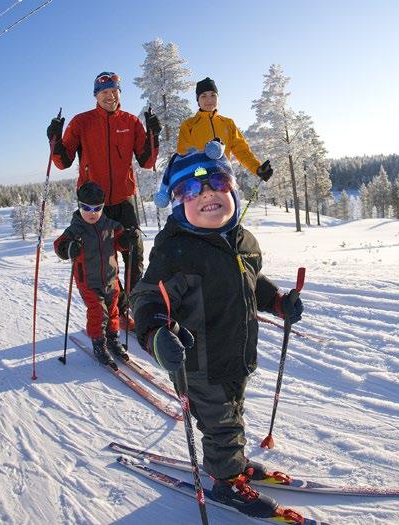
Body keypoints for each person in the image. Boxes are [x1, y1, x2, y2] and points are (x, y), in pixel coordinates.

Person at [130, 141, 303, 518]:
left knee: (233, 411)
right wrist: (157, 333)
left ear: (233, 192)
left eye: (218, 182)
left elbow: (252, 281)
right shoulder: (176, 251)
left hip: (236, 354)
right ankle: (226, 481)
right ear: (177, 203)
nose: (207, 192)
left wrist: (278, 301)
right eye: (191, 189)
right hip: (197, 364)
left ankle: (233, 463)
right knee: (221, 423)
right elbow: (146, 299)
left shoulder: (243, 241)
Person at [46, 71, 162, 329]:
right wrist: (54, 140)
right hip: (95, 205)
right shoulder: (81, 122)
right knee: (104, 263)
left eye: (114, 91)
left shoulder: (131, 122)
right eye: (104, 92)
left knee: (133, 254)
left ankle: (135, 306)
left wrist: (154, 136)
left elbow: (147, 161)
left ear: (119, 93)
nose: (110, 96)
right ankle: (118, 311)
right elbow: (63, 162)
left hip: (125, 200)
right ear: (96, 95)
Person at [54, 182, 137, 368]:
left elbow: (119, 242)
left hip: (110, 279)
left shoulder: (110, 225)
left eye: (97, 208)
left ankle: (113, 338)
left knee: (113, 309)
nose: (92, 213)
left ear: (102, 207)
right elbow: (59, 245)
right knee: (98, 312)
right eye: (86, 208)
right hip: (88, 281)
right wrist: (68, 248)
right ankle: (98, 343)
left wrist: (126, 240)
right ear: (79, 205)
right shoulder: (75, 229)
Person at [176, 77, 273, 183]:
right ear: (197, 100)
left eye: (213, 95)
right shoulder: (189, 125)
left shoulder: (228, 123)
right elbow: (185, 155)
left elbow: (242, 151)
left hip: (224, 180)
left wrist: (257, 168)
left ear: (218, 98)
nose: (209, 100)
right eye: (203, 96)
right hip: (199, 182)